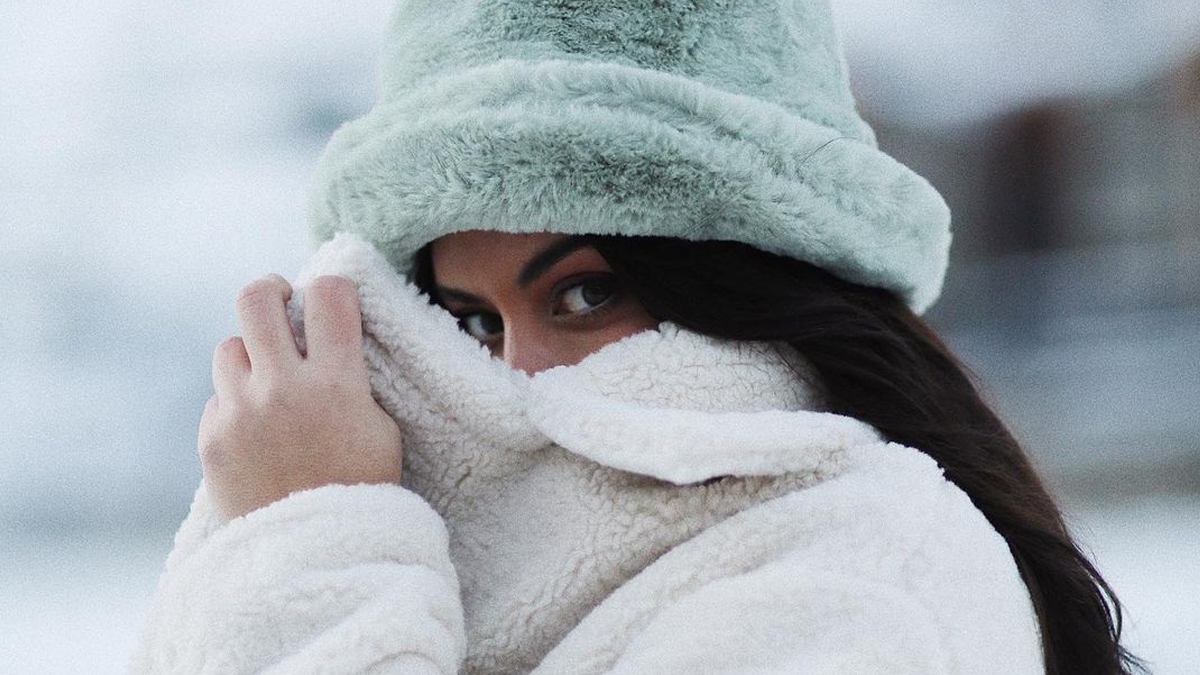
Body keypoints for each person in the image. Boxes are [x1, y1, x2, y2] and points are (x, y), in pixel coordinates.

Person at [129, 1, 1145, 674]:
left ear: (749, 276)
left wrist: (313, 538)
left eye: (583, 297)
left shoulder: (868, 572)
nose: (516, 375)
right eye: (471, 322)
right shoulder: (449, 540)